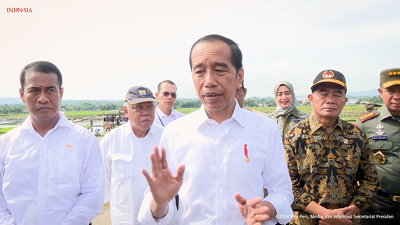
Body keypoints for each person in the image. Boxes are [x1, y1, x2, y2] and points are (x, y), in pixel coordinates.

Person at [138, 34, 293, 225]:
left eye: (219, 70)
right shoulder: (175, 133)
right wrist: (160, 203)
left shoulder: (265, 129)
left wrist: (264, 209)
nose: (209, 81)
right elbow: (153, 212)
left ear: (239, 77)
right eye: (200, 72)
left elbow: (283, 192)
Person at [0, 61, 104, 224]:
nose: (42, 98)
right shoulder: (6, 144)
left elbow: (93, 195)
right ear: (21, 94)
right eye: (34, 90)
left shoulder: (84, 140)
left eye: (50, 90)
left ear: (60, 93)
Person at [284, 69, 379, 225]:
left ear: (344, 100)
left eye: (337, 94)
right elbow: (286, 184)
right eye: (323, 93)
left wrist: (350, 212)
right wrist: (325, 214)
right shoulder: (294, 137)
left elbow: (370, 181)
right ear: (311, 98)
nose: (330, 100)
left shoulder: (356, 136)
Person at [100, 86, 164, 224]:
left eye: (150, 107)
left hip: (159, 219)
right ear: (125, 111)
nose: (145, 113)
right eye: (138, 107)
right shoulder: (111, 140)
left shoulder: (165, 137)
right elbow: (103, 181)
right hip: (124, 218)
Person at [355, 68, 400, 224]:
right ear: (380, 92)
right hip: (378, 205)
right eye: (391, 90)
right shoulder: (365, 124)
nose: (397, 96)